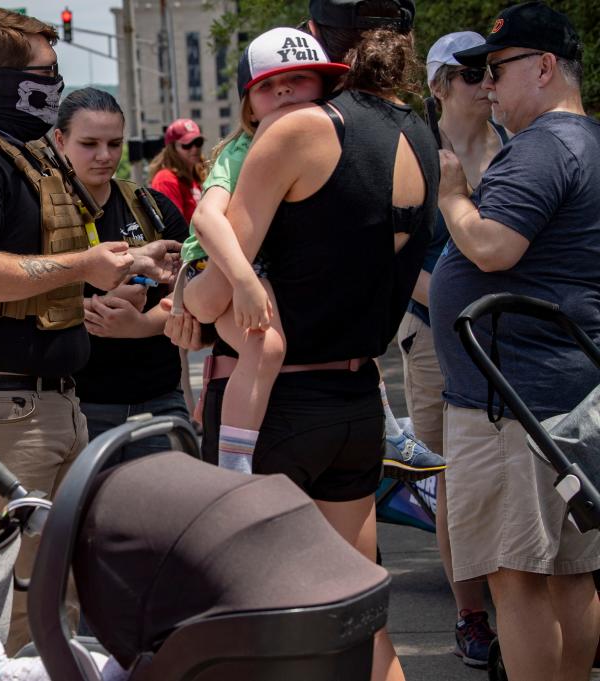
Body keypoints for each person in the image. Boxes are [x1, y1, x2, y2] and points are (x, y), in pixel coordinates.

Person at [166, 1, 438, 678]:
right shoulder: (419, 130)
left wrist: (183, 294)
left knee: (255, 627)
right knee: (362, 623)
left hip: (274, 410)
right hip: (356, 404)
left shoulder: (297, 135)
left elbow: (211, 296)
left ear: (322, 45)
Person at [0, 9, 171, 651]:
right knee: (23, 599)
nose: (55, 85)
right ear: (2, 79)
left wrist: (130, 261)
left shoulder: (21, 156)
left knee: (64, 589)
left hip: (48, 402)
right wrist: (85, 263)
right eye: (45, 73)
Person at [431, 4, 600, 679]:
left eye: (497, 69)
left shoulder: (542, 147)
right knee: (571, 569)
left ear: (545, 68)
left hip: (512, 401)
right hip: (558, 393)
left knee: (515, 575)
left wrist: (452, 196)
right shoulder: (585, 141)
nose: (490, 85)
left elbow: (493, 247)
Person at [179, 26, 348, 473]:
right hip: (220, 266)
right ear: (248, 105)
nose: (285, 91)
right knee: (265, 346)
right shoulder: (241, 151)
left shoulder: (337, 142)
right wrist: (244, 282)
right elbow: (206, 219)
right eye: (267, 86)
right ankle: (233, 468)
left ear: (327, 86)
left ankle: (389, 426)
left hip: (267, 273)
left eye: (299, 79)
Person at [398, 30, 507, 668]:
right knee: (453, 476)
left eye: (492, 69)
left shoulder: (520, 148)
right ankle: (470, 614)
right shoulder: (414, 155)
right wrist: (451, 295)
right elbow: (392, 256)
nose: (485, 80)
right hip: (435, 333)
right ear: (439, 85)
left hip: (512, 333)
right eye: (470, 72)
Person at [53, 88, 191, 459]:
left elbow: (197, 289)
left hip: (159, 403)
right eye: (89, 144)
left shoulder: (151, 208)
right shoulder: (38, 216)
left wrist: (143, 324)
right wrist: (89, 306)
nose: (104, 156)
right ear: (59, 140)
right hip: (75, 409)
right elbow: (13, 295)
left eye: (115, 143)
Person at [148, 118, 206, 223]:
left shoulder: (194, 178)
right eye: (187, 144)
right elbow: (174, 227)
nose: (194, 148)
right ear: (172, 149)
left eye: (198, 142)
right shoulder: (165, 179)